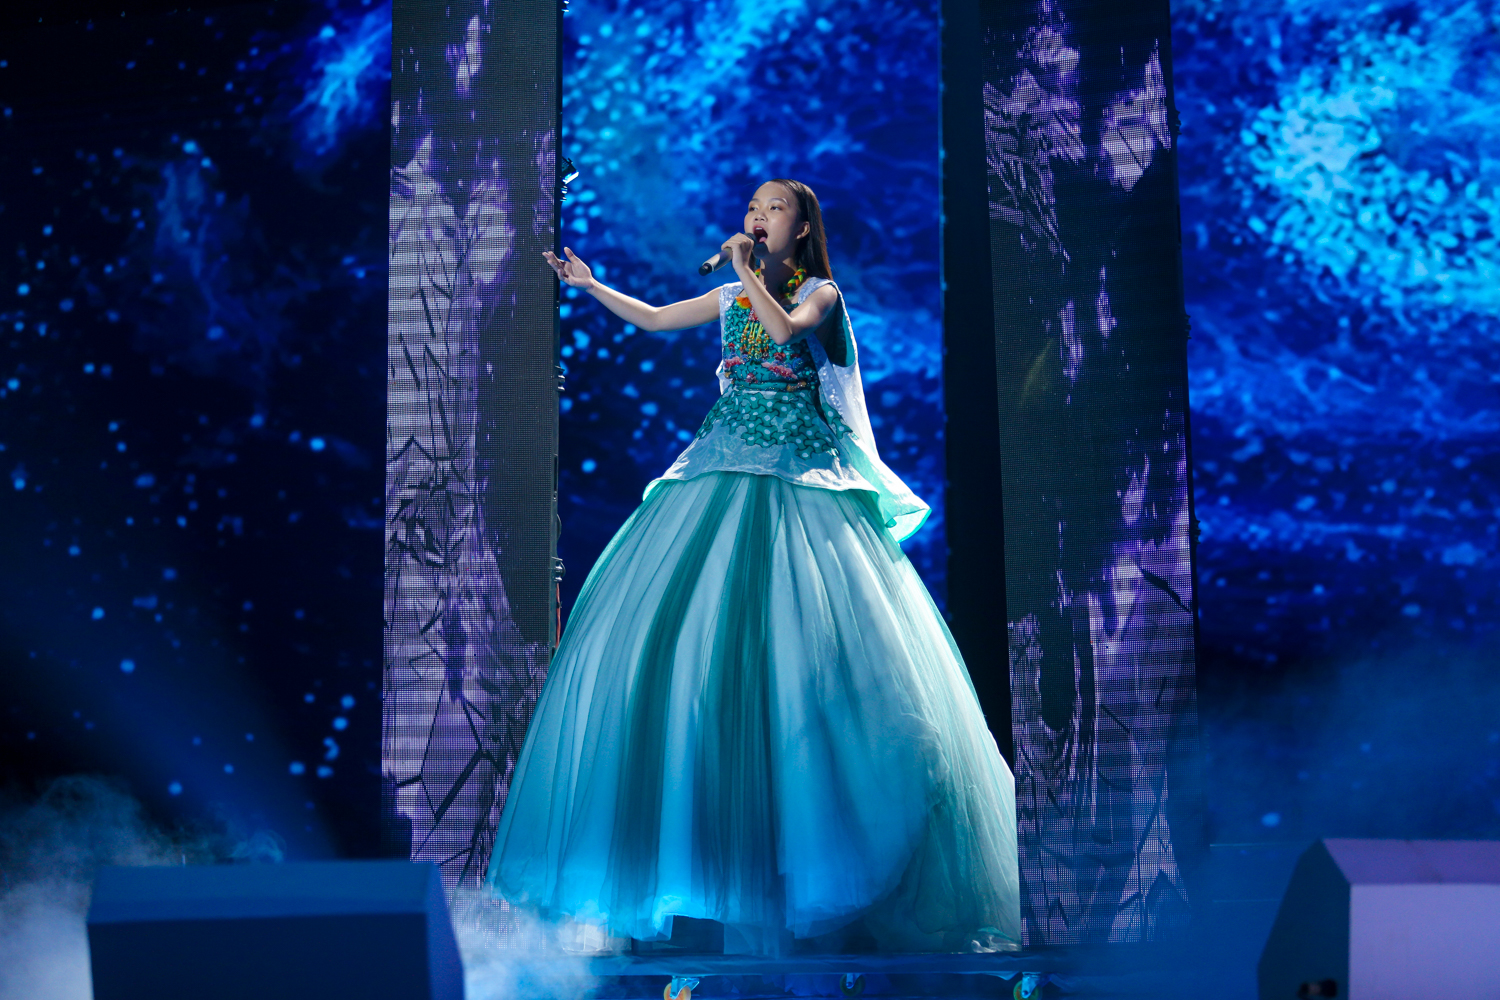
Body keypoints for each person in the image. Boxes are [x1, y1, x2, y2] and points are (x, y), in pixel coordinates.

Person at [487, 179, 1019, 957]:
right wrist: (593, 286)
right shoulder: (733, 295)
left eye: (773, 209)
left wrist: (744, 272)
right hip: (722, 467)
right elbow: (659, 317)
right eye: (752, 209)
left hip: (800, 483)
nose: (757, 217)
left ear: (800, 229)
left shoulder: (820, 294)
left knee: (805, 647)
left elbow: (783, 327)